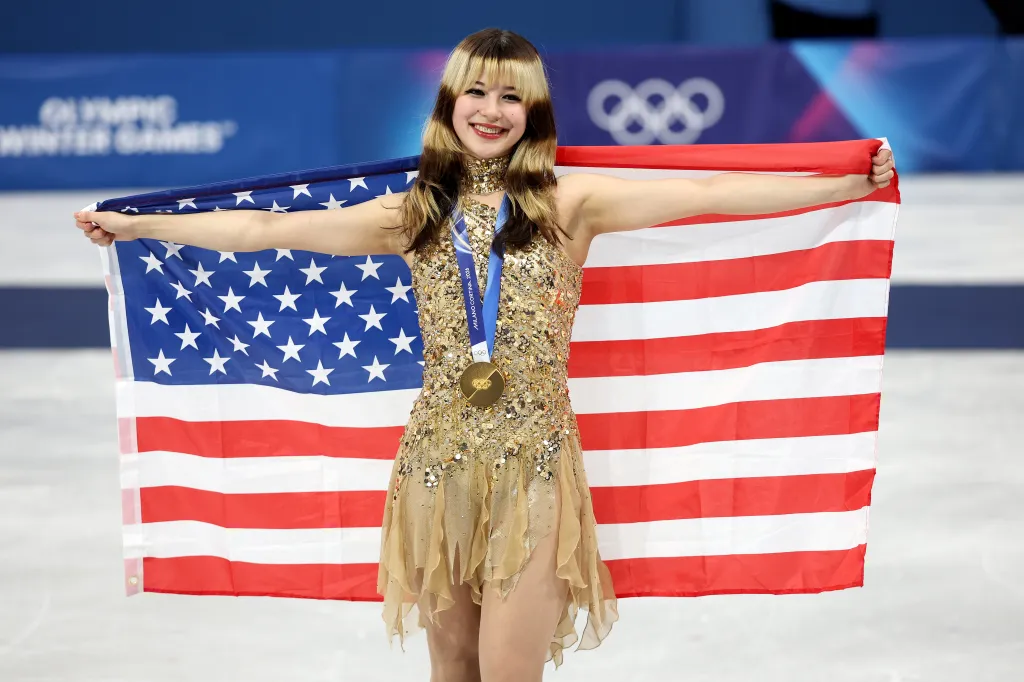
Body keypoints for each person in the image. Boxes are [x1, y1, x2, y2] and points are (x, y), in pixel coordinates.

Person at [74, 27, 894, 682]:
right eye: (478, 90)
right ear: (449, 102)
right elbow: (263, 230)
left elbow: (707, 195)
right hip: (436, 464)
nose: (493, 109)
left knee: (508, 673)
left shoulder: (571, 201)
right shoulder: (413, 214)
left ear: (535, 112)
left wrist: (843, 183)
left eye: (514, 96)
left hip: (536, 469)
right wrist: (139, 224)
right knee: (453, 667)